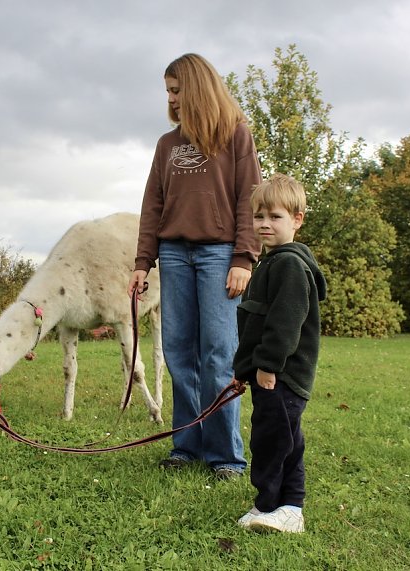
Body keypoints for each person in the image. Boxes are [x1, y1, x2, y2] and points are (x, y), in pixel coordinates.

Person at [128, 53, 262, 480]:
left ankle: (226, 457)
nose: (171, 99)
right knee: (179, 354)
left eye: (175, 90)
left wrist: (244, 256)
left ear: (197, 89)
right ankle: (186, 446)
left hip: (219, 255)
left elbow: (250, 199)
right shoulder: (167, 145)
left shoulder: (236, 136)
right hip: (173, 254)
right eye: (167, 91)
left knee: (218, 355)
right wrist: (141, 262)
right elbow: (153, 206)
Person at [233, 173, 327, 533]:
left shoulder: (288, 264)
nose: (265, 224)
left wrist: (268, 366)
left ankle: (272, 506)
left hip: (282, 375)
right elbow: (255, 324)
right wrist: (243, 370)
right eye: (259, 216)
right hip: (270, 374)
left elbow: (284, 324)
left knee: (273, 440)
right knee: (285, 438)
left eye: (275, 217)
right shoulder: (270, 262)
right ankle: (287, 506)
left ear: (297, 220)